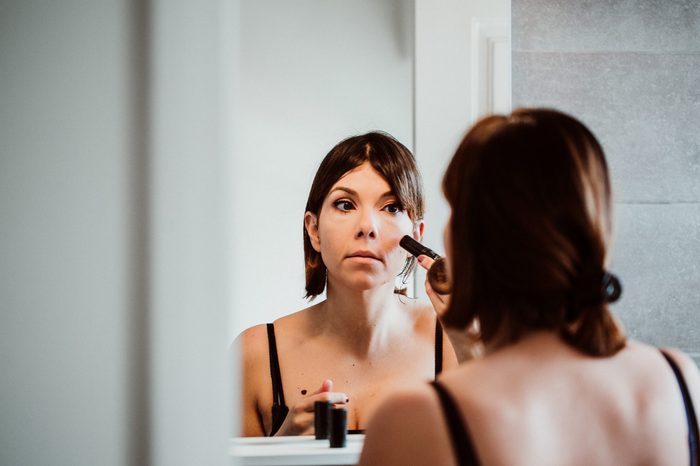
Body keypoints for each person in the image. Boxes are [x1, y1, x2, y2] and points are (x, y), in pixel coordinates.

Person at [360, 109, 700, 465]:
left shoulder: (418, 418)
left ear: (472, 237)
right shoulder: (676, 379)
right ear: (596, 224)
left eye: (455, 208)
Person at [235, 131, 458, 436]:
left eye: (391, 207)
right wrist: (279, 448)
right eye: (345, 204)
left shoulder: (452, 341)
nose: (367, 227)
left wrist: (473, 347)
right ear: (313, 230)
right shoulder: (256, 354)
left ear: (416, 234)